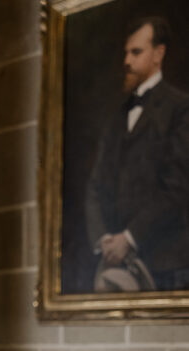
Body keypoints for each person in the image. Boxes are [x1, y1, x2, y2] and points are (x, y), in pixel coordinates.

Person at [85, 16, 189, 292]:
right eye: (126, 53)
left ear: (158, 54)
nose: (127, 61)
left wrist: (129, 239)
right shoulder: (115, 118)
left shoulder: (180, 109)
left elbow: (177, 188)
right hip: (114, 266)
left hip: (166, 266)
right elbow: (95, 186)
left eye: (136, 52)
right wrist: (104, 240)